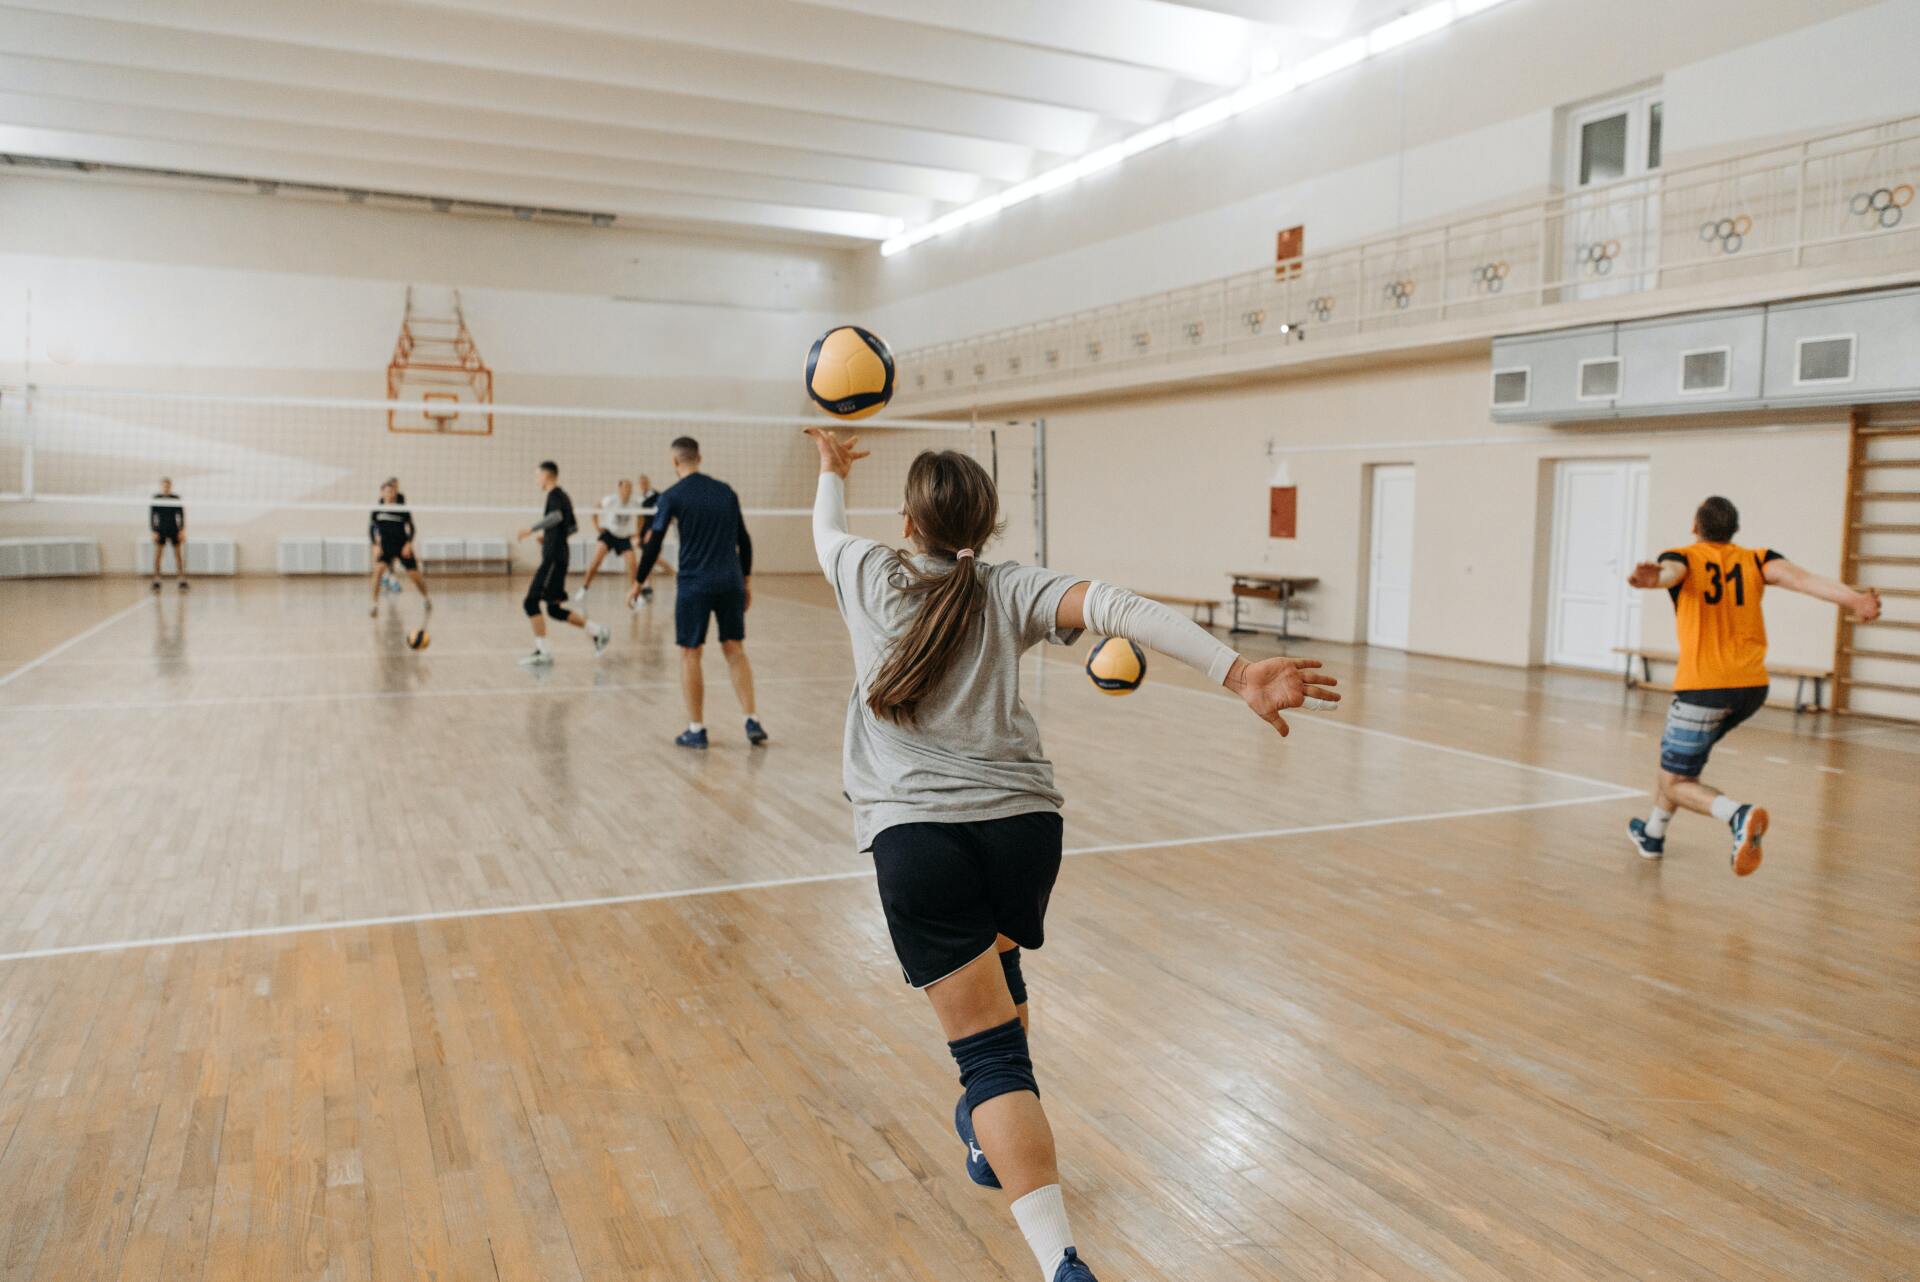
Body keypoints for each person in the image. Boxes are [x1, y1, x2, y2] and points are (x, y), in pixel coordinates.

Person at [805, 427, 1339, 1282]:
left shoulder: (868, 572)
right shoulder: (1011, 587)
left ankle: (1060, 1262)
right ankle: (990, 1141)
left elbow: (823, 528)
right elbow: (1126, 609)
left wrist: (831, 468)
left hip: (919, 837)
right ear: (990, 522)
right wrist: (1236, 671)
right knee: (1001, 974)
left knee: (989, 1056)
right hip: (1023, 830)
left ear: (908, 522)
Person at [1624, 495, 1880, 875]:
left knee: (1677, 780)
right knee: (1675, 766)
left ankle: (1738, 816)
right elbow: (1804, 581)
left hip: (1704, 689)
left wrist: (1653, 581)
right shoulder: (1756, 559)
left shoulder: (1684, 557)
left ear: (1695, 527)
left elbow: (1670, 574)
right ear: (1734, 530)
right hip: (1751, 689)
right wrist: (1854, 600)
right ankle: (1652, 834)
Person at [631, 437, 763, 748]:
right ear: (699, 458)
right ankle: (752, 720)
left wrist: (638, 581)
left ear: (674, 462)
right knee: (735, 650)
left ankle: (696, 729)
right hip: (730, 580)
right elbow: (744, 540)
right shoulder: (725, 491)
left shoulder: (672, 496)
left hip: (694, 584)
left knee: (691, 653)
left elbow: (654, 543)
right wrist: (746, 581)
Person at [514, 460, 611, 666]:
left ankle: (543, 652)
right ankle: (598, 632)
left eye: (537, 475)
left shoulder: (555, 495)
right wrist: (549, 536)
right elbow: (571, 528)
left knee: (530, 602)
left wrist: (532, 530)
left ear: (547, 475)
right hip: (559, 555)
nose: (536, 480)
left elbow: (556, 517)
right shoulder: (564, 496)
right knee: (554, 609)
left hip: (553, 559)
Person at [575, 476, 645, 604]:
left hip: (624, 537)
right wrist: (597, 526)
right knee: (596, 561)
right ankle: (584, 588)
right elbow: (595, 508)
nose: (628, 490)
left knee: (633, 564)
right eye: (625, 487)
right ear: (619, 489)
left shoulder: (634, 503)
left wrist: (638, 533)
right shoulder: (610, 500)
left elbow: (641, 517)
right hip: (609, 535)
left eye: (630, 487)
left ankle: (635, 595)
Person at [369, 478, 430, 618]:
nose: (391, 494)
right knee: (378, 571)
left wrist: (408, 543)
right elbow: (372, 529)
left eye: (393, 491)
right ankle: (374, 605)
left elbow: (412, 528)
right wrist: (375, 545)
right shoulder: (377, 510)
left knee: (415, 576)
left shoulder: (402, 509)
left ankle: (426, 598)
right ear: (382, 493)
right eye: (388, 491)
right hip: (385, 547)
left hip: (402, 546)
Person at [149, 476, 188, 591]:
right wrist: (154, 531)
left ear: (170, 486)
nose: (166, 487)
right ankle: (157, 579)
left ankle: (181, 579)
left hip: (173, 529)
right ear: (161, 486)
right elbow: (152, 516)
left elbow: (181, 515)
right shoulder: (156, 498)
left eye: (168, 485)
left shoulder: (175, 498)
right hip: (161, 529)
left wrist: (181, 530)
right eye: (164, 485)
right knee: (158, 555)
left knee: (178, 555)